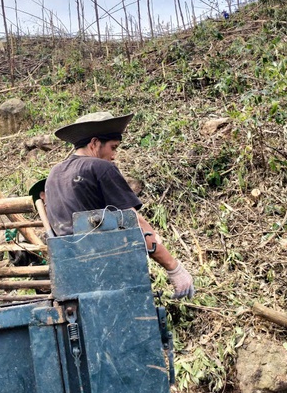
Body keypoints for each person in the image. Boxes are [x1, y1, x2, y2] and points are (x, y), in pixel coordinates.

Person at [45, 111, 195, 299]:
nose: (114, 156)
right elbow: (134, 223)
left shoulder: (54, 174)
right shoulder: (100, 168)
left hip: (70, 275)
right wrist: (174, 268)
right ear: (94, 143)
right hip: (107, 272)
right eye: (113, 147)